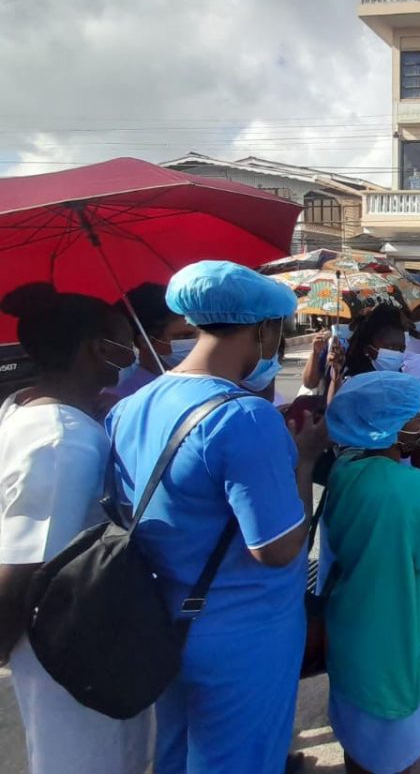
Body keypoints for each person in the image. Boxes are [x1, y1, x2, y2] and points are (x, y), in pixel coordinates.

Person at [108, 260, 327, 771]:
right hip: (243, 631)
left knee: (178, 753)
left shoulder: (133, 404)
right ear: (263, 329)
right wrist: (307, 459)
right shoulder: (242, 416)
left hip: (163, 617)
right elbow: (276, 549)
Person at [0, 284, 152, 774]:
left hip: (72, 632)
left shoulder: (29, 407)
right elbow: (27, 563)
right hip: (67, 642)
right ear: (95, 349)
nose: (132, 354)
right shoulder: (62, 441)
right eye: (125, 342)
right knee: (86, 761)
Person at [322, 372, 420, 774]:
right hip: (395, 636)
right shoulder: (410, 488)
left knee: (358, 736)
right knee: (391, 746)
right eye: (416, 410)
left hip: (351, 630)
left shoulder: (343, 469)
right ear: (384, 424)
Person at [100, 281, 199, 409]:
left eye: (202, 332)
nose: (198, 342)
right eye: (185, 336)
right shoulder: (121, 402)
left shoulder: (210, 381)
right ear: (146, 342)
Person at [335, 303, 420, 397]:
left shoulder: (404, 384)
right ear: (368, 350)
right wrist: (335, 378)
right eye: (391, 348)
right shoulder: (354, 384)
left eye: (401, 349)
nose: (397, 353)